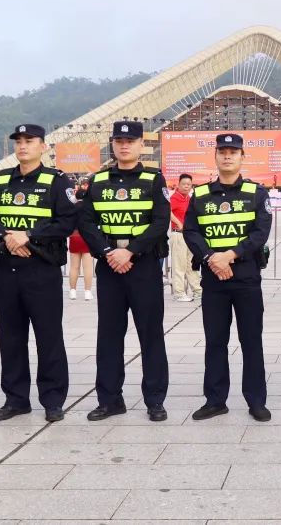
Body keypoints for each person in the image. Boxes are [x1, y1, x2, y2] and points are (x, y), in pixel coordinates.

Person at [0, 124, 78, 423]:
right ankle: (16, 399)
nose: (22, 146)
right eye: (18, 142)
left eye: (29, 141)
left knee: (49, 337)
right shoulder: (1, 179)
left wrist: (29, 236)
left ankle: (53, 400)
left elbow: (67, 221)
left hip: (41, 270)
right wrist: (6, 237)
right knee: (11, 338)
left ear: (43, 146)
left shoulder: (56, 181)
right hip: (7, 270)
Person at [78, 121, 171, 422]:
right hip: (109, 266)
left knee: (151, 334)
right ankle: (109, 400)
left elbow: (160, 222)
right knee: (109, 336)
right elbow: (87, 222)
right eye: (119, 140)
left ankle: (155, 400)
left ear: (142, 145)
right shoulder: (98, 181)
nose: (124, 145)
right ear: (112, 145)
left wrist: (130, 251)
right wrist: (108, 252)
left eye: (130, 140)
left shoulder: (154, 179)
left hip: (143, 265)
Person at [185, 134, 273, 422]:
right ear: (215, 156)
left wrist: (231, 255)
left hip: (246, 277)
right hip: (214, 278)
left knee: (251, 341)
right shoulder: (200, 195)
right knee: (215, 341)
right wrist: (212, 258)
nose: (227, 156)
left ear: (242, 157)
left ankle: (256, 401)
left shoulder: (256, 193)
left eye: (233, 152)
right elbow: (191, 232)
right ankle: (215, 400)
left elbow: (260, 232)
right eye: (222, 151)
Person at [169, 173, 200, 302]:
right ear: (178, 184)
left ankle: (197, 291)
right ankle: (179, 293)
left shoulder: (189, 198)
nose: (186, 186)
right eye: (184, 184)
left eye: (189, 184)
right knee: (179, 266)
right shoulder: (174, 197)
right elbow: (167, 211)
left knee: (191, 265)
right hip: (178, 234)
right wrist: (178, 223)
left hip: (189, 236)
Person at [68, 178, 94, 301]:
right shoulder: (89, 207)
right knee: (87, 267)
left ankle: (72, 291)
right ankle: (87, 292)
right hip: (87, 237)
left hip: (74, 237)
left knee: (74, 267)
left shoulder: (72, 207)